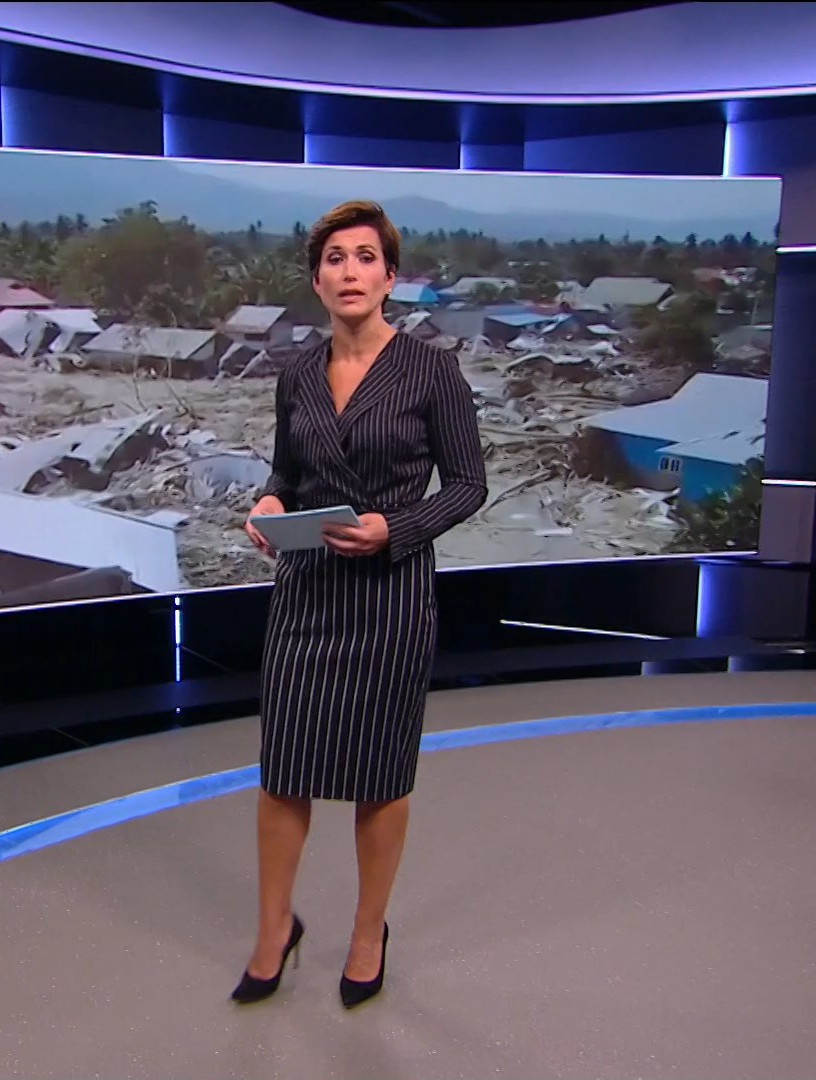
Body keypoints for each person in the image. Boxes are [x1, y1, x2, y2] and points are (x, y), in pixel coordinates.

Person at [231, 200, 488, 1009]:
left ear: (390, 277)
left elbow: (469, 485)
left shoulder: (431, 371)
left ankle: (370, 931)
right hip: (307, 594)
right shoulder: (297, 374)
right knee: (285, 772)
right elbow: (286, 474)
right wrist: (270, 505)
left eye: (366, 257)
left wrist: (393, 528)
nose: (350, 271)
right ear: (316, 280)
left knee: (379, 774)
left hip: (390, 594)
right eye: (335, 258)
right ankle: (275, 929)